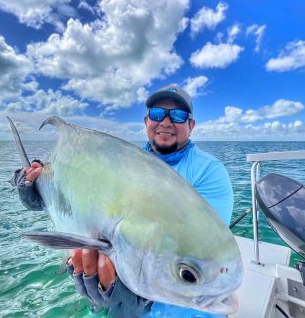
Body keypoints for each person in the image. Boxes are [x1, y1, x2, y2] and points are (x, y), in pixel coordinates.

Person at [13, 85, 234, 318]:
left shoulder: (209, 171)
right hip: (113, 301)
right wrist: (35, 188)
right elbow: (74, 203)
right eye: (158, 114)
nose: (166, 122)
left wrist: (137, 301)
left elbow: (202, 249)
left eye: (178, 115)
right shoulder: (120, 163)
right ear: (146, 121)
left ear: (191, 125)